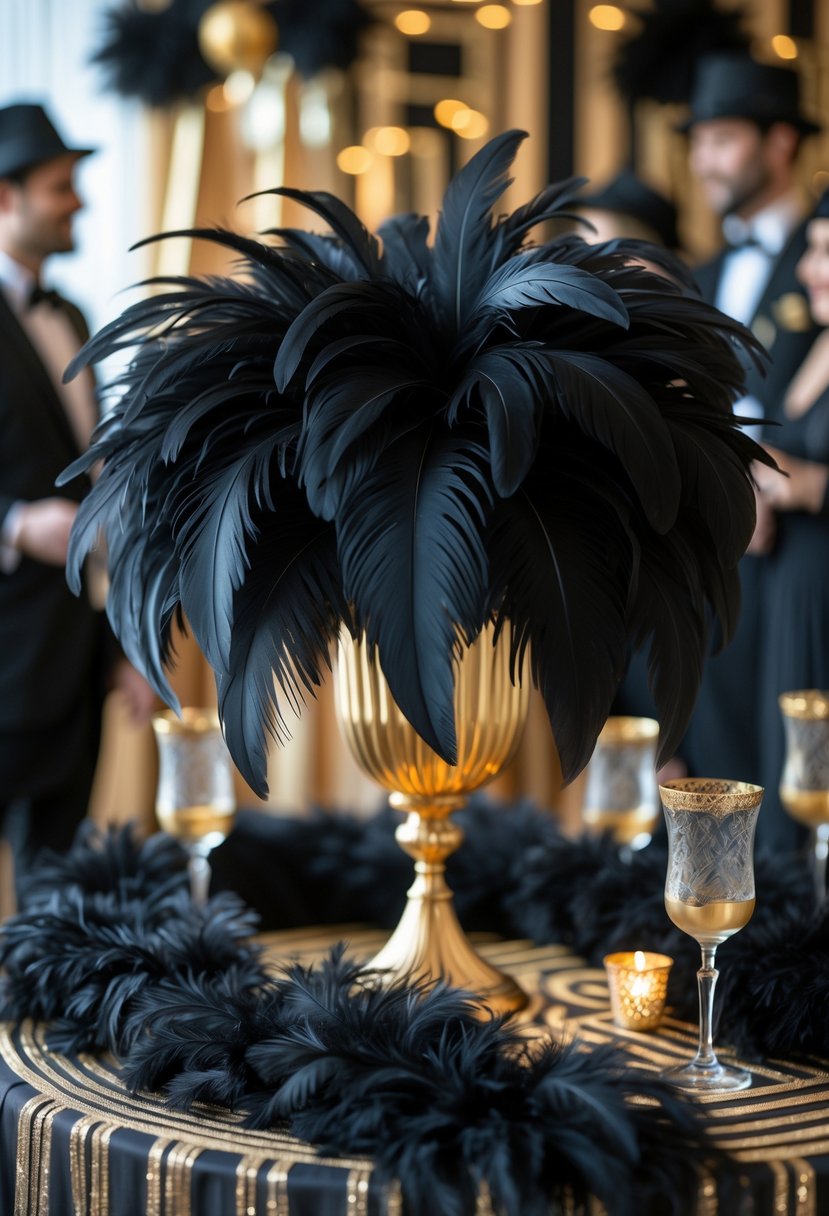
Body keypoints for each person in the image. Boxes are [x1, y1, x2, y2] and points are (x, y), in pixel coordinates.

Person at [0, 101, 154, 884]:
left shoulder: (74, 316)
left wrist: (123, 649)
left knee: (54, 899)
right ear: (6, 198)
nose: (80, 204)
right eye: (61, 187)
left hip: (67, 672)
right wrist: (15, 525)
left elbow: (99, 494)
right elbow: (32, 514)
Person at [676, 52, 822, 844]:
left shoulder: (822, 256)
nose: (703, 159)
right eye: (697, 141)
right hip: (713, 554)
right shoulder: (700, 275)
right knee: (714, 756)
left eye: (722, 138)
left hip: (796, 560)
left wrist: (762, 483)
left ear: (778, 144)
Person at [751, 191, 829, 846]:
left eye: (828, 251)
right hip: (790, 592)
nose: (810, 267)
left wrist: (810, 486)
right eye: (810, 247)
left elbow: (804, 475)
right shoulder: (813, 341)